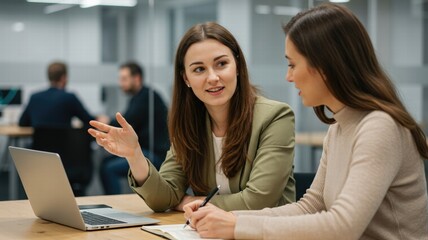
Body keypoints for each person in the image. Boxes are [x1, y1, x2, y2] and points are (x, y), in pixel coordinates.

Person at [183, 4, 428, 239]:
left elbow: (343, 227)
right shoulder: (340, 127)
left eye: (293, 65)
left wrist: (237, 226)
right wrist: (227, 218)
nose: (288, 76)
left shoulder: (380, 127)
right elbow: (312, 206)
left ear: (326, 66)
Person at [88, 22, 296, 212]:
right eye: (199, 69)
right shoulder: (190, 124)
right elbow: (163, 199)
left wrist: (193, 202)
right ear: (186, 78)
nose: (213, 78)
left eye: (221, 64)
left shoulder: (275, 117)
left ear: (238, 66)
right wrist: (134, 155)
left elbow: (258, 201)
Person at [99, 61, 170, 195]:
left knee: (109, 169)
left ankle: (114, 205)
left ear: (136, 78)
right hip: (144, 150)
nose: (121, 83)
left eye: (124, 79)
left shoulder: (147, 97)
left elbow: (127, 122)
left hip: (155, 154)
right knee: (105, 162)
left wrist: (107, 121)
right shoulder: (139, 97)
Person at [19, 61, 97, 128]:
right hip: (64, 145)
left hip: (38, 145)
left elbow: (22, 123)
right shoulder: (69, 97)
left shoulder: (34, 97)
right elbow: (89, 121)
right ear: (63, 77)